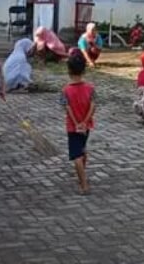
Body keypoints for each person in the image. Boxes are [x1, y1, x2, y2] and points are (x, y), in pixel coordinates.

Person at [60, 50, 95, 194]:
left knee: (76, 156)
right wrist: (84, 121)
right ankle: (82, 174)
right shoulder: (90, 88)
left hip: (73, 127)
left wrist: (76, 123)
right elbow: (93, 106)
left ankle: (84, 184)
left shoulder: (66, 90)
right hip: (86, 126)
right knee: (82, 149)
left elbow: (67, 108)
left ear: (68, 70)